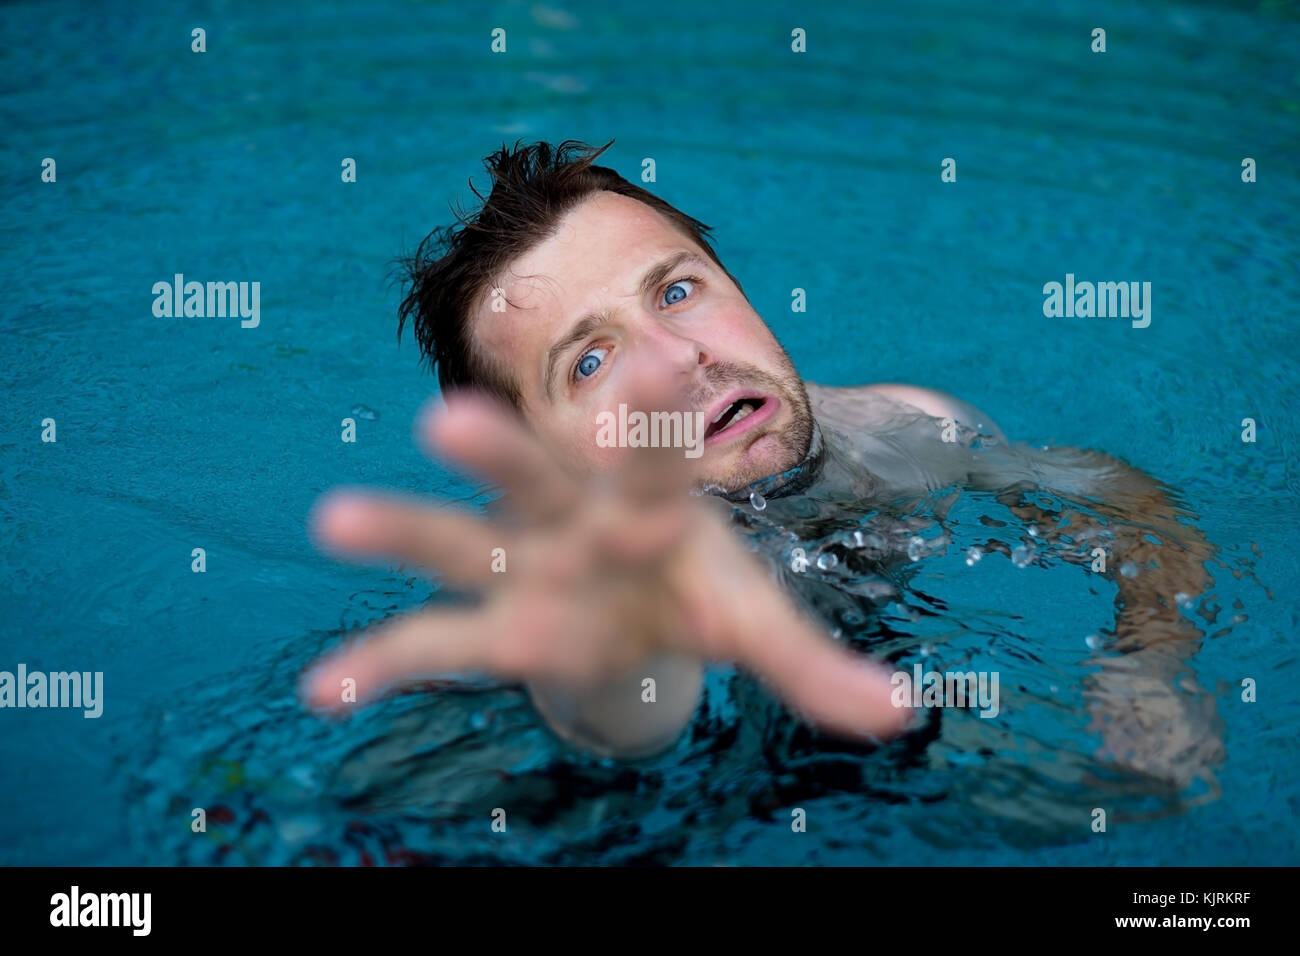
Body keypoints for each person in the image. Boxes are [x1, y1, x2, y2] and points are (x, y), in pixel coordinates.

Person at [301, 140, 1221, 783]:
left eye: (677, 288)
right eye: (590, 360)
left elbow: (1117, 500)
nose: (676, 359)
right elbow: (615, 715)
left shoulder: (906, 430)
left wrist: (1149, 664)